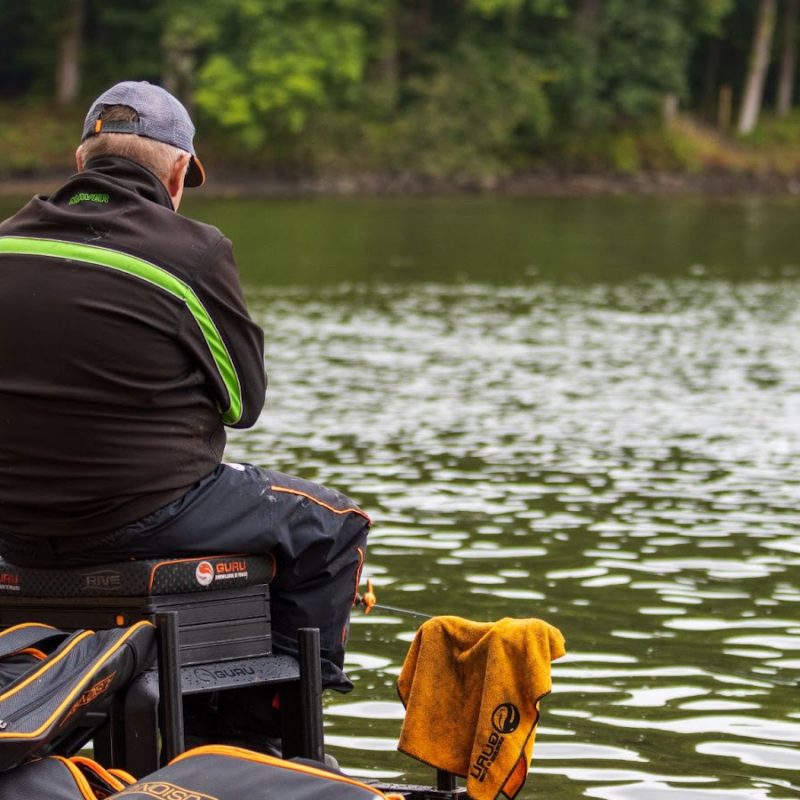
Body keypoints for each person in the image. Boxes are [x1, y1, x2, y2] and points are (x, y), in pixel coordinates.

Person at [0, 82, 370, 715]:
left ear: (81, 159)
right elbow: (242, 404)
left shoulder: (6, 242)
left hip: (13, 525)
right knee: (331, 526)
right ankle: (277, 729)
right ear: (176, 172)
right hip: (144, 514)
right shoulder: (194, 252)